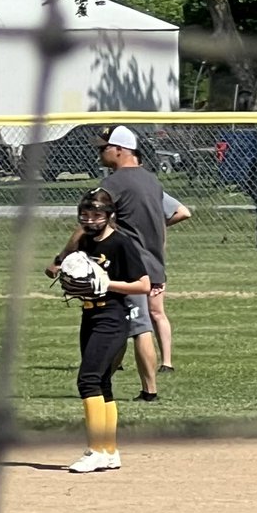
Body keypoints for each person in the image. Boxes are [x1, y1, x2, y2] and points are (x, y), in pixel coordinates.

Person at [46, 125, 187, 401]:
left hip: (129, 268)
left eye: (104, 148)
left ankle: (149, 391)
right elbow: (171, 218)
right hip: (153, 263)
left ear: (120, 150)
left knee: (140, 327)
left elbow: (89, 222)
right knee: (122, 326)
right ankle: (103, 380)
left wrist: (60, 259)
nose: (100, 152)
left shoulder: (114, 183)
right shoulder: (152, 181)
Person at [64, 189, 150, 473]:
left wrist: (108, 283)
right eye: (85, 215)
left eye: (97, 215)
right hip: (90, 314)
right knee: (102, 383)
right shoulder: (84, 241)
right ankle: (110, 451)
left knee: (87, 380)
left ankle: (95, 449)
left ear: (110, 216)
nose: (90, 220)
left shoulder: (121, 244)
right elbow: (65, 269)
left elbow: (143, 285)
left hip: (112, 317)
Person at [152, 191, 192, 373]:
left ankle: (167, 361)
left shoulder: (150, 192)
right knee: (156, 312)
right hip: (153, 260)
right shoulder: (152, 190)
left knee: (153, 311)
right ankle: (166, 362)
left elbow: (184, 212)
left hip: (145, 260)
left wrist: (156, 227)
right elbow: (183, 212)